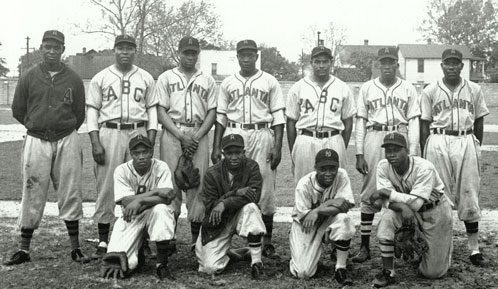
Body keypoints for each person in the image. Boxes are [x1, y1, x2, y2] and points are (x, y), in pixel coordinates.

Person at [5, 30, 88, 265]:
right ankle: (24, 249)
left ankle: (75, 247)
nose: (52, 51)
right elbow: (18, 110)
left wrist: (64, 127)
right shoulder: (29, 76)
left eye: (56, 47)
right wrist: (36, 125)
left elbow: (79, 113)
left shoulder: (72, 78)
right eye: (48, 47)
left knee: (70, 190)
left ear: (63, 49)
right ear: (41, 48)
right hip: (37, 138)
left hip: (66, 138)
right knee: (32, 189)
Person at [86, 35, 158, 258]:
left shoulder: (145, 77)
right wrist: (95, 141)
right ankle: (103, 239)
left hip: (138, 131)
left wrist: (151, 138)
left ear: (135, 51)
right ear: (114, 50)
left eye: (129, 48)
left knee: (141, 185)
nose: (125, 52)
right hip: (109, 131)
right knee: (107, 185)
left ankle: (141, 237)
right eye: (121, 48)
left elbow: (152, 110)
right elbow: (92, 111)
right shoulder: (101, 77)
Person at [211, 39, 284, 258]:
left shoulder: (269, 81)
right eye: (242, 55)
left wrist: (278, 146)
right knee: (232, 183)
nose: (246, 58)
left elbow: (279, 116)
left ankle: (267, 239)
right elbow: (221, 117)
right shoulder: (227, 82)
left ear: (256, 56)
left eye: (250, 54)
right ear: (238, 56)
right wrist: (216, 146)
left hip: (262, 134)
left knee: (264, 184)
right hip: (234, 134)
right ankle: (228, 236)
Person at [420, 48, 489, 266]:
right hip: (438, 139)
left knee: (469, 190)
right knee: (438, 194)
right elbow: (424, 123)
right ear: (442, 66)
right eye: (448, 63)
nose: (452, 67)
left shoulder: (474, 89)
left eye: (455, 63)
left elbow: (479, 120)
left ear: (462, 66)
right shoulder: (430, 90)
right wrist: (425, 150)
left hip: (465, 139)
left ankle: (474, 248)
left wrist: (476, 144)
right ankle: (442, 244)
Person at [353, 47, 420, 263]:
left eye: (391, 62)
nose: (387, 66)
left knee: (405, 187)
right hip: (375, 134)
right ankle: (364, 246)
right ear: (378, 65)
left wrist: (414, 148)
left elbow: (414, 121)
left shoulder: (408, 87)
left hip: (400, 134)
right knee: (370, 190)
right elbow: (361, 121)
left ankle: (408, 238)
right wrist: (359, 152)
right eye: (384, 62)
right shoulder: (367, 87)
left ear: (397, 65)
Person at [155, 36, 217, 248]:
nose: (190, 56)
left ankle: (195, 240)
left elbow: (212, 112)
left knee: (197, 186)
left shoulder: (207, 79)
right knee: (170, 184)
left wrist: (196, 137)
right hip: (173, 131)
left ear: (197, 54)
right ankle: (168, 237)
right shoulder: (165, 78)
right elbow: (160, 111)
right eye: (186, 52)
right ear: (179, 53)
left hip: (198, 131)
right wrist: (181, 136)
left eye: (193, 53)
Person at [370, 132, 453, 288]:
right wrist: (401, 206)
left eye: (396, 150)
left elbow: (415, 203)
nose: (391, 154)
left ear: (407, 150)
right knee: (385, 224)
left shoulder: (424, 167)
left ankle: (440, 247)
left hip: (434, 211)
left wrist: (389, 194)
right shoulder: (383, 166)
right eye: (388, 151)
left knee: (433, 273)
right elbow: (384, 200)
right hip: (404, 210)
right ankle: (388, 271)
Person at [104, 134, 177, 279]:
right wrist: (156, 191)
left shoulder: (161, 166)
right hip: (130, 217)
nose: (141, 156)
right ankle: (139, 254)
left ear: (151, 152)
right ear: (131, 154)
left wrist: (140, 201)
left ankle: (161, 265)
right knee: (123, 263)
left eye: (145, 152)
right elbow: (125, 201)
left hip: (153, 214)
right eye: (137, 153)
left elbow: (167, 197)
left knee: (162, 210)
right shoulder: (121, 170)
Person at [197, 134, 267, 279]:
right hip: (218, 222)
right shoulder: (212, 173)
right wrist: (236, 192)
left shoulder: (252, 166)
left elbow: (254, 196)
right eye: (229, 153)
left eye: (237, 153)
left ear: (244, 152)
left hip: (241, 214)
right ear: (223, 154)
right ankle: (233, 253)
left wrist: (224, 202)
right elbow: (210, 206)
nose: (234, 157)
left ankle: (256, 263)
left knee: (252, 207)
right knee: (210, 268)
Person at [286, 45, 356, 185]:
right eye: (317, 62)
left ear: (331, 62)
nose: (321, 65)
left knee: (334, 186)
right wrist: (295, 149)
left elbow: (348, 122)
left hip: (333, 138)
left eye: (325, 61)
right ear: (311, 62)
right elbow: (291, 122)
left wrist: (341, 144)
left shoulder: (342, 87)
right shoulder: (298, 87)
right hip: (306, 139)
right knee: (304, 184)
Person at [289, 148, 355, 284]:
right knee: (303, 272)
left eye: (332, 168)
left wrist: (317, 210)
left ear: (338, 167)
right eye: (323, 169)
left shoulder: (342, 175)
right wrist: (329, 204)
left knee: (345, 220)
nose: (328, 173)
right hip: (305, 224)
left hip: (329, 221)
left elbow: (346, 205)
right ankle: (300, 248)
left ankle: (340, 268)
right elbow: (305, 216)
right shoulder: (304, 184)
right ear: (315, 168)